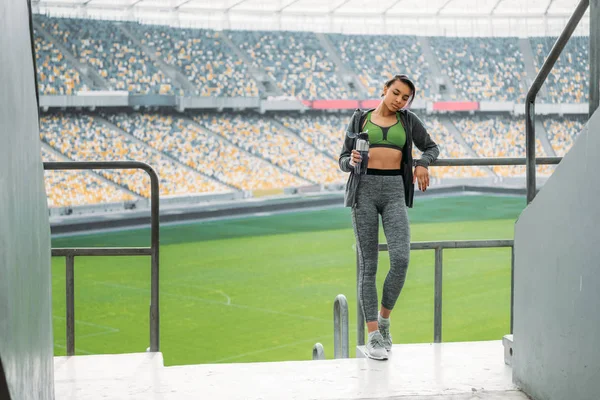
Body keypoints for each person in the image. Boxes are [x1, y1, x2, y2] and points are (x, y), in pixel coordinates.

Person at [338, 74, 439, 360]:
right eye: (395, 93)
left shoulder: (409, 121)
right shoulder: (360, 119)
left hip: (395, 192)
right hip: (364, 192)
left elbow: (431, 147)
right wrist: (351, 161)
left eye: (405, 97)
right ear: (384, 90)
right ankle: (372, 336)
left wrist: (422, 163)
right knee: (368, 265)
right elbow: (342, 158)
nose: (399, 100)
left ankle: (384, 321)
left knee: (401, 259)